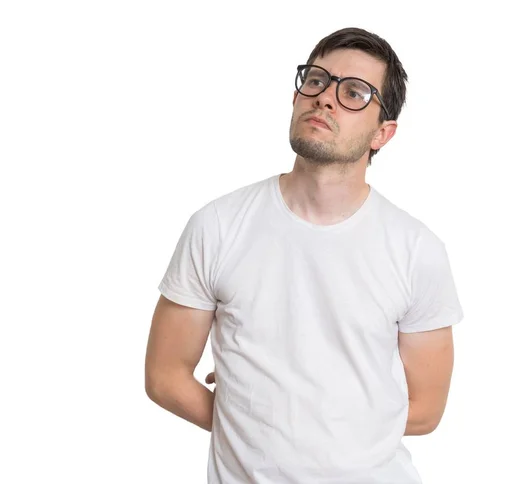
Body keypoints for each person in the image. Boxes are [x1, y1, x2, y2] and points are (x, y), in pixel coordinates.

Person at [145, 26, 464, 484]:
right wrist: (253, 420)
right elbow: (165, 376)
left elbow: (426, 409)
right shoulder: (216, 226)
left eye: (354, 92)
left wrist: (287, 418)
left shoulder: (416, 251)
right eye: (316, 81)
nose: (326, 98)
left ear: (383, 134)